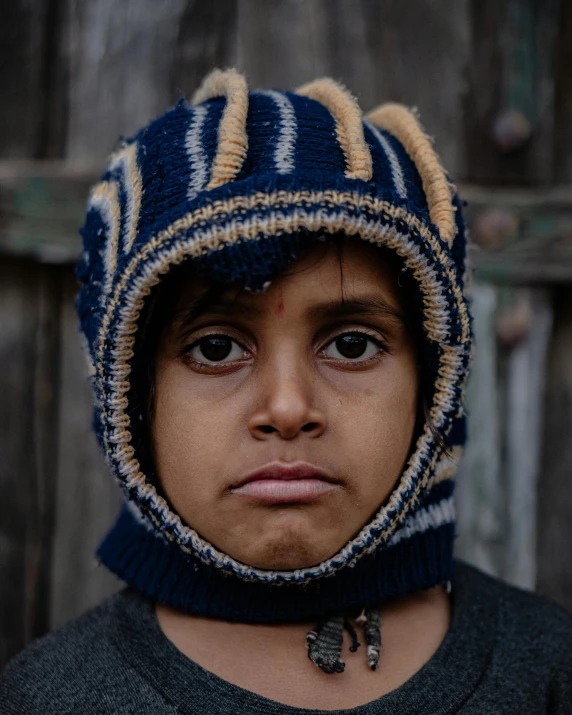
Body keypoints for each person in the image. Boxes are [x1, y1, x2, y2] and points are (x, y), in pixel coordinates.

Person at [1, 68, 571, 714]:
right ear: (131, 399)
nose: (289, 408)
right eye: (216, 348)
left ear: (435, 381)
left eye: (352, 344)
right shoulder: (48, 698)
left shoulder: (547, 670)